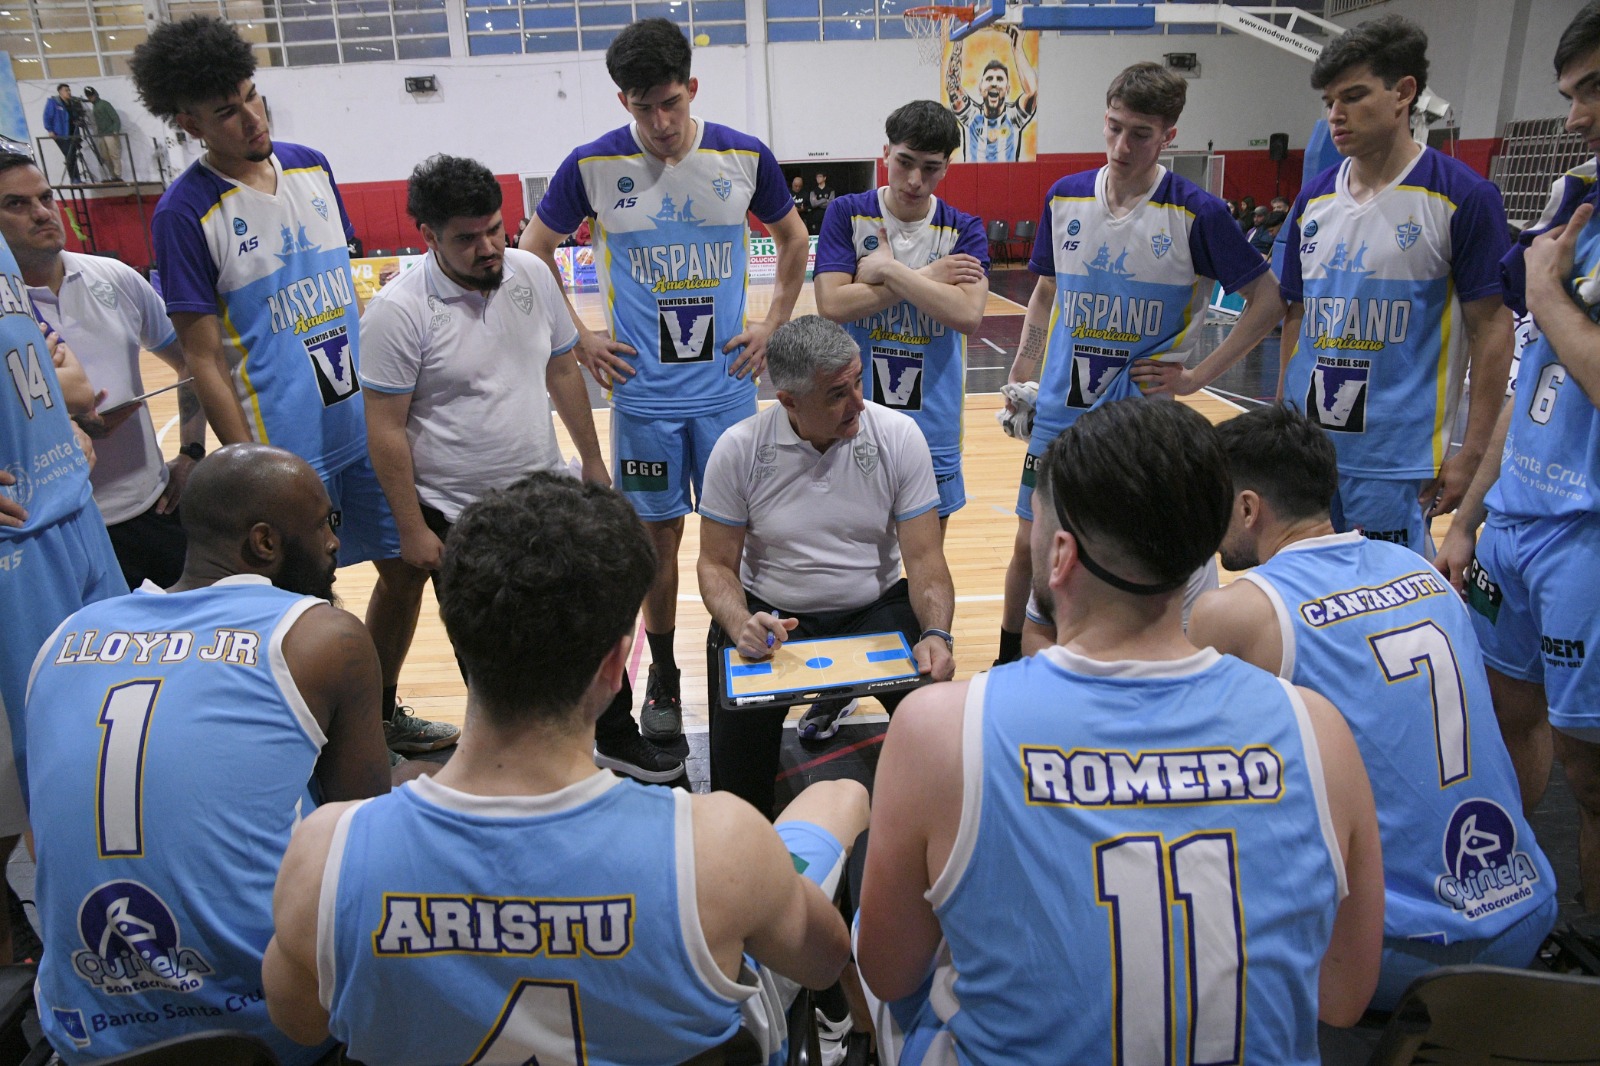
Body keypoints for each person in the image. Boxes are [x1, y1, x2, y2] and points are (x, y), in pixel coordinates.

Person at [264, 472, 861, 1064]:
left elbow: (301, 1024)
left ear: (461, 638)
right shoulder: (722, 847)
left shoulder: (324, 855)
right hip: (724, 910)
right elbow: (825, 959)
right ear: (613, 668)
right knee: (839, 799)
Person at [857, 399, 1384, 1064]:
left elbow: (887, 972)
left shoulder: (939, 728)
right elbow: (1342, 999)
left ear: (1060, 556)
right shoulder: (1318, 728)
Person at [129, 16, 457, 755]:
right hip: (284, 448)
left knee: (406, 566)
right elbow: (202, 358)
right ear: (187, 123)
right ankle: (309, 745)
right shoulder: (184, 212)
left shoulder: (312, 165)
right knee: (304, 607)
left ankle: (377, 713)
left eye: (253, 98)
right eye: (226, 112)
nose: (252, 120)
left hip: (361, 429)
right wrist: (248, 466)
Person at [26, 443, 393, 1064]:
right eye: (325, 525)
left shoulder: (66, 636)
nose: (336, 543)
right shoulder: (322, 636)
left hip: (86, 1037)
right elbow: (366, 849)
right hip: (272, 1034)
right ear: (264, 544)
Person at [1188, 404, 1556, 1009]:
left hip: (1403, 952)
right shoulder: (1420, 570)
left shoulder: (1240, 611)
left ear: (1250, 508)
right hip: (1523, 912)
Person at [519, 17, 808, 762]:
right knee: (655, 543)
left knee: (737, 535)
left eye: (671, 103)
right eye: (642, 107)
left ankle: (732, 653)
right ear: (623, 100)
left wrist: (773, 324)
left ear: (693, 89)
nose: (659, 123)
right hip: (644, 398)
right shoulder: (590, 165)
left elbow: (794, 239)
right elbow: (533, 251)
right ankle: (666, 675)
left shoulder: (744, 155)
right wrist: (578, 338)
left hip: (725, 393)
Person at [995, 62, 1285, 664]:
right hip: (1059, 412)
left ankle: (1136, 660)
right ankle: (1008, 658)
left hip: (1140, 426)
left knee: (1133, 546)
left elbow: (1268, 300)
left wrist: (1197, 379)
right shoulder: (1066, 195)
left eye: (1140, 134)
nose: (1123, 146)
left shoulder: (1198, 212)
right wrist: (1023, 371)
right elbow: (1044, 295)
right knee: (1031, 541)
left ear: (1169, 135)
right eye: (1114, 127)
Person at [1435, 0, 1600, 916]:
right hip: (1514, 526)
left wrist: (1545, 288)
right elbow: (1530, 373)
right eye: (1569, 93)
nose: (1575, 115)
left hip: (1588, 536)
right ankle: (1527, 910)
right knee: (1505, 727)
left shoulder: (1551, 253)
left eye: (1592, 91)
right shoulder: (1575, 204)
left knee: (1594, 774)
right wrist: (1467, 518)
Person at [360, 156, 610, 693]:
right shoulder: (396, 313)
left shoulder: (534, 273)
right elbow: (384, 429)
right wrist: (412, 528)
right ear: (428, 235)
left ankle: (610, 745)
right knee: (493, 670)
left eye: (495, 228)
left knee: (577, 638)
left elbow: (563, 368)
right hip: (457, 517)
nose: (490, 247)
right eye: (468, 238)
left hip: (545, 498)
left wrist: (592, 461)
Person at [697, 316, 955, 816]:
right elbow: (714, 564)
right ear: (788, 400)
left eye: (859, 381)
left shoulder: (899, 436)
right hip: (772, 615)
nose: (860, 402)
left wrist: (938, 634)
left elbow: (925, 560)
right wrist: (740, 624)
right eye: (838, 393)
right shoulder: (739, 448)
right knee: (737, 776)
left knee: (937, 729)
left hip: (874, 608)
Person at [1277, 14, 1513, 555]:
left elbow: (1492, 331)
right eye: (1330, 101)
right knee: (1309, 604)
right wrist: (1283, 431)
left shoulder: (1464, 197)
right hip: (1306, 454)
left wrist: (1471, 454)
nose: (1336, 114)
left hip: (1396, 463)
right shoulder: (1312, 198)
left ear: (1404, 92)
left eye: (1354, 96)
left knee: (1387, 614)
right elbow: (1296, 317)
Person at [0, 226, 123, 964]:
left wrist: (64, 419)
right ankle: (80, 951)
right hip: (17, 540)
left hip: (72, 506)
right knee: (43, 760)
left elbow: (43, 367)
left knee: (105, 729)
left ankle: (123, 904)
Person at [0, 153, 205, 589]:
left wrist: (192, 452)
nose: (41, 213)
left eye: (45, 197)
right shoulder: (6, 317)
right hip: (53, 527)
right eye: (16, 204)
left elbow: (192, 361)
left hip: (154, 512)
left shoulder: (114, 277)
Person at [815, 100, 989, 532]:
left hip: (935, 421)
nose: (914, 180)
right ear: (886, 152)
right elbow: (833, 305)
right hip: (856, 416)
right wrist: (931, 277)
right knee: (858, 553)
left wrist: (888, 271)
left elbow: (967, 314)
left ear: (947, 167)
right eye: (905, 162)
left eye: (930, 168)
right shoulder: (848, 213)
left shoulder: (963, 227)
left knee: (926, 556)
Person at [945, 24, 1037, 163]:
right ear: (980, 88)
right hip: (972, 182)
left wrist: (1017, 49)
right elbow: (953, 86)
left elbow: (1033, 91)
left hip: (1008, 182)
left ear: (1007, 89)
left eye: (999, 79)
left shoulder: (1014, 118)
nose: (994, 83)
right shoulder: (971, 117)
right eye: (989, 79)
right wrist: (959, 38)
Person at [42, 84, 83, 184]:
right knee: (69, 155)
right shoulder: (53, 102)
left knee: (73, 155)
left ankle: (77, 178)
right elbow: (47, 116)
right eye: (66, 90)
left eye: (69, 90)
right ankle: (74, 178)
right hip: (60, 134)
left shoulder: (72, 103)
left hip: (72, 133)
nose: (69, 92)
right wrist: (50, 130)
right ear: (60, 92)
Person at [82, 87, 121, 181]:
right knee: (105, 156)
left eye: (92, 95)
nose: (91, 98)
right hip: (101, 134)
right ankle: (112, 175)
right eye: (89, 96)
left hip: (110, 133)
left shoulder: (104, 104)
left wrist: (115, 129)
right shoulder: (95, 106)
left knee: (114, 155)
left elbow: (115, 117)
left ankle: (117, 175)